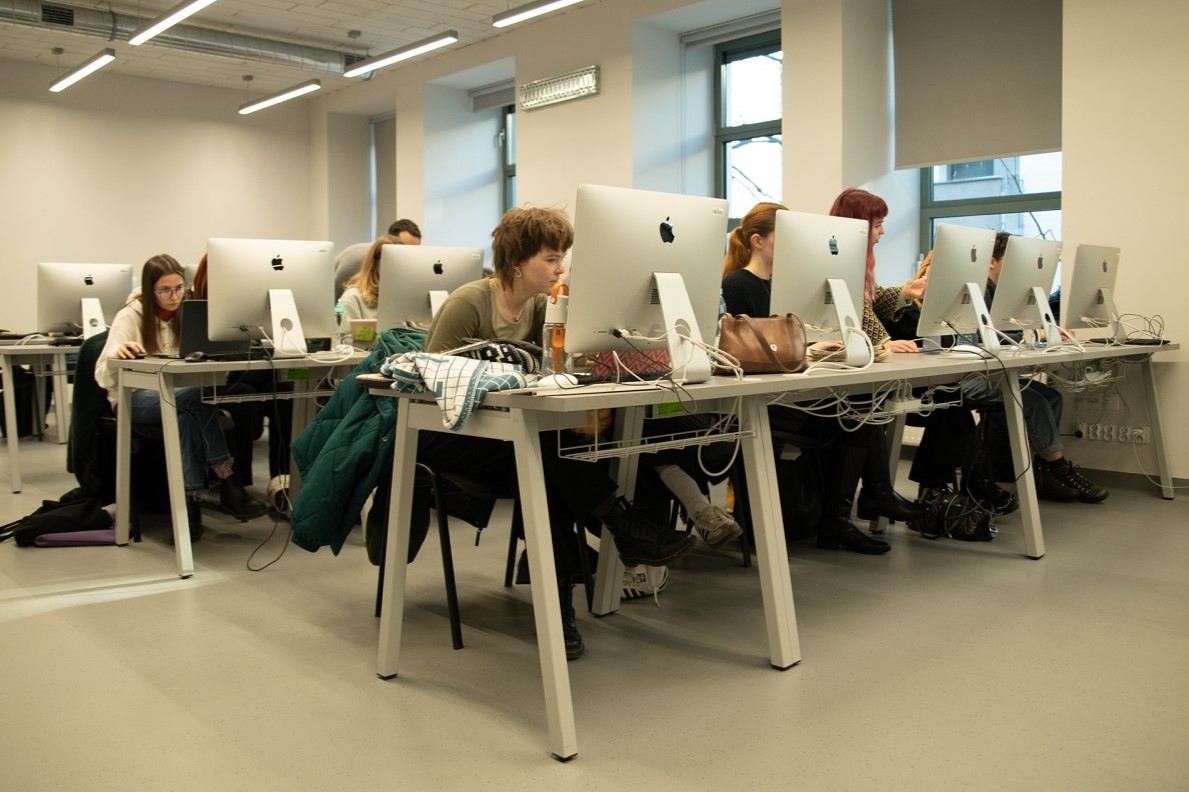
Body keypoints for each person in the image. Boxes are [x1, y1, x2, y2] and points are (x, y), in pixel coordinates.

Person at [419, 206, 696, 659]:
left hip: (508, 435)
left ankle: (561, 603)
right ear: (516, 261)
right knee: (549, 452)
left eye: (561, 257)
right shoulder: (468, 303)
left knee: (550, 465)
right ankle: (620, 525)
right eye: (550, 259)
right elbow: (432, 383)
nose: (559, 268)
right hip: (447, 433)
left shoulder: (540, 306)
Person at [722, 201, 926, 555]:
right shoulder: (738, 284)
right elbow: (753, 350)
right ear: (757, 241)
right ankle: (844, 516)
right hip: (767, 400)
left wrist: (821, 348)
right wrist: (810, 352)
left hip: (796, 389)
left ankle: (841, 517)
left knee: (863, 402)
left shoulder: (790, 282)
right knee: (855, 413)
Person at [94, 254, 268, 541]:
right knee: (191, 400)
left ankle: (189, 506)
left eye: (179, 289)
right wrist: (116, 354)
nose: (174, 297)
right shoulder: (132, 314)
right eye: (165, 290)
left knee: (186, 413)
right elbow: (101, 374)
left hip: (180, 399)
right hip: (134, 400)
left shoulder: (190, 312)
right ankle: (228, 482)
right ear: (150, 291)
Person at [959, 232, 1107, 503]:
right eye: (1010, 262)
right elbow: (985, 341)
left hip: (994, 373)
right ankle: (1058, 468)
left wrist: (1045, 335)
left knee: (1051, 396)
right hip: (968, 377)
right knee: (1033, 400)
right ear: (992, 262)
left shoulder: (1002, 294)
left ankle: (1044, 474)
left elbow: (1011, 338)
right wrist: (1037, 336)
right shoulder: (979, 291)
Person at [191, 255, 294, 495]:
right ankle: (239, 484)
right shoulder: (197, 303)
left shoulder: (250, 299)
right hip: (212, 379)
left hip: (244, 371)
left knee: (286, 393)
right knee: (244, 396)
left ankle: (282, 481)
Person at [334, 219, 422, 299]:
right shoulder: (357, 258)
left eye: (414, 250)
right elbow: (337, 298)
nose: (408, 254)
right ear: (391, 240)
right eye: (403, 247)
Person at [338, 234, 402, 322]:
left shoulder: (403, 298)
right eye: (391, 261)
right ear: (375, 263)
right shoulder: (352, 298)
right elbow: (345, 334)